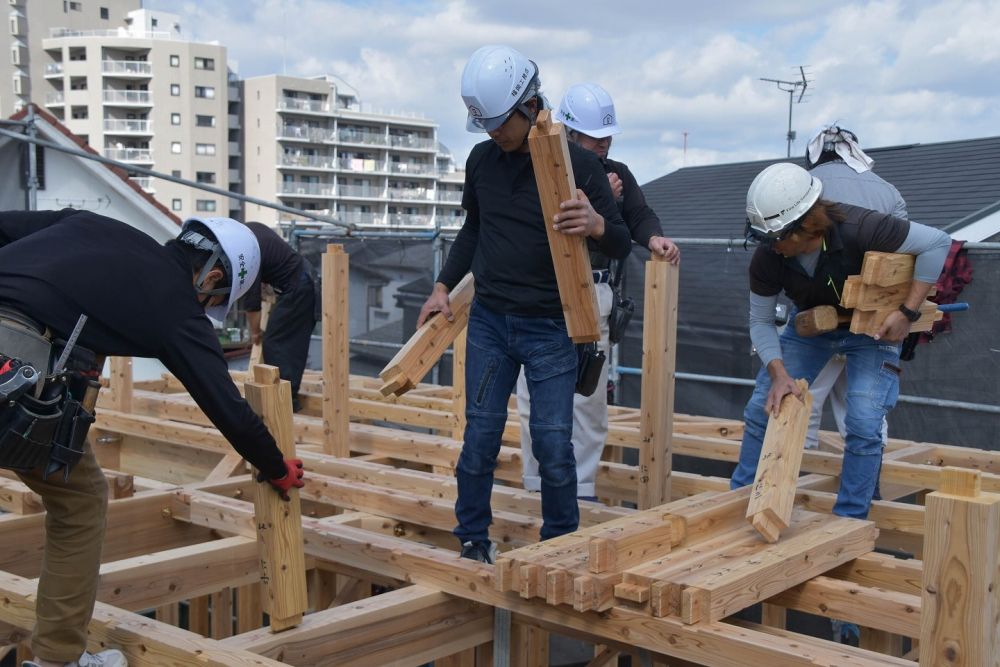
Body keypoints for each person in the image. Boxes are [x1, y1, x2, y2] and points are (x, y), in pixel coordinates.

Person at [0, 210, 305, 667]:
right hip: (13, 367)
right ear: (213, 275)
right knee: (80, 502)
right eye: (212, 300)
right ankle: (56, 660)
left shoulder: (90, 224)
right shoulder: (175, 305)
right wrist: (276, 467)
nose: (205, 309)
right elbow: (228, 409)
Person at [417, 46, 630, 563]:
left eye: (499, 124)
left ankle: (558, 545)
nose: (493, 133)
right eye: (485, 125)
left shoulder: (577, 164)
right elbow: (475, 228)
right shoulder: (482, 160)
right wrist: (443, 284)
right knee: (480, 438)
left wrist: (596, 224)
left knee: (554, 445)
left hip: (551, 328)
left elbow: (621, 241)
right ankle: (472, 538)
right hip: (490, 320)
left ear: (529, 106)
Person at [730, 163, 949, 519]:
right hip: (813, 330)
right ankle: (739, 503)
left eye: (774, 238)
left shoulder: (862, 228)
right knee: (762, 408)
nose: (768, 247)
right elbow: (760, 321)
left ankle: (849, 520)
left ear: (803, 227)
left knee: (863, 420)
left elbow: (937, 243)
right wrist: (778, 374)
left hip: (873, 329)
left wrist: (907, 313)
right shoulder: (768, 259)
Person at [516, 82, 679, 500]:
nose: (603, 144)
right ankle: (538, 487)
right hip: (540, 295)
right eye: (594, 137)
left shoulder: (617, 174)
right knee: (535, 400)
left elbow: (639, 215)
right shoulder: (535, 169)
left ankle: (581, 489)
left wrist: (654, 238)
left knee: (586, 401)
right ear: (568, 134)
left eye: (606, 137)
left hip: (592, 293)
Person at [801, 125, 908, 451]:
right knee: (864, 412)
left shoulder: (803, 187)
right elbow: (902, 261)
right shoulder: (888, 191)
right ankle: (868, 485)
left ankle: (795, 483)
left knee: (802, 404)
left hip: (817, 316)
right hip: (871, 321)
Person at [243, 222, 317, 412]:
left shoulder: (246, 249)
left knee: (275, 342)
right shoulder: (250, 232)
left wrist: (255, 333)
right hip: (302, 280)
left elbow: (251, 303)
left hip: (299, 285)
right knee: (290, 341)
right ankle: (287, 396)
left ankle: (286, 400)